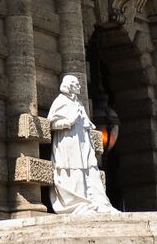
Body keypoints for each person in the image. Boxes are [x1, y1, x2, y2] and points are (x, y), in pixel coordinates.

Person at [46, 74, 116, 215]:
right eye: (76, 83)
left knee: (90, 170)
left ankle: (98, 202)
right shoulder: (60, 101)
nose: (79, 86)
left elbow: (85, 122)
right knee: (72, 170)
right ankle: (78, 204)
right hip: (67, 143)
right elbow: (51, 122)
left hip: (83, 142)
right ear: (69, 85)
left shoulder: (79, 103)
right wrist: (68, 122)